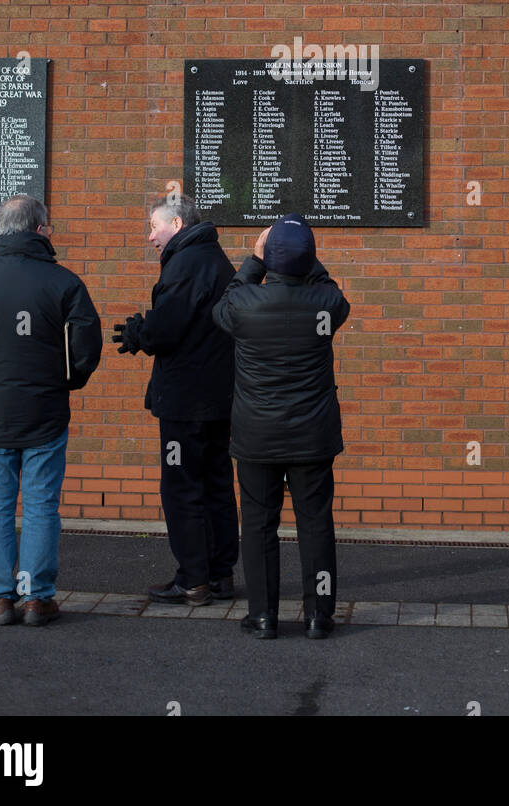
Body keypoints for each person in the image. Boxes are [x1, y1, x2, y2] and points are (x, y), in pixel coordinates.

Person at [0, 195, 102, 626]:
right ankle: (36, 596)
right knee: (42, 505)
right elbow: (86, 348)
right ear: (40, 229)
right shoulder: (64, 283)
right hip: (46, 411)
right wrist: (67, 384)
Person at [213, 213, 350, 640]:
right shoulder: (325, 304)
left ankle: (263, 616)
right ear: (309, 260)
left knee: (257, 525)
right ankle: (318, 616)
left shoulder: (243, 305)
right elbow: (331, 292)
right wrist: (305, 255)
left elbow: (225, 301)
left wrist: (256, 260)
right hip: (312, 435)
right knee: (315, 524)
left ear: (267, 260)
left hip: (257, 435)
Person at [114, 194, 238, 606]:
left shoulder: (185, 264)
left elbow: (168, 329)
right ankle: (220, 574)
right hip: (220, 398)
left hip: (187, 403)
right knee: (217, 485)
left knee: (182, 488)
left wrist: (139, 334)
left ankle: (193, 580)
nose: (150, 237)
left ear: (178, 225)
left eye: (155, 226)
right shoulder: (216, 260)